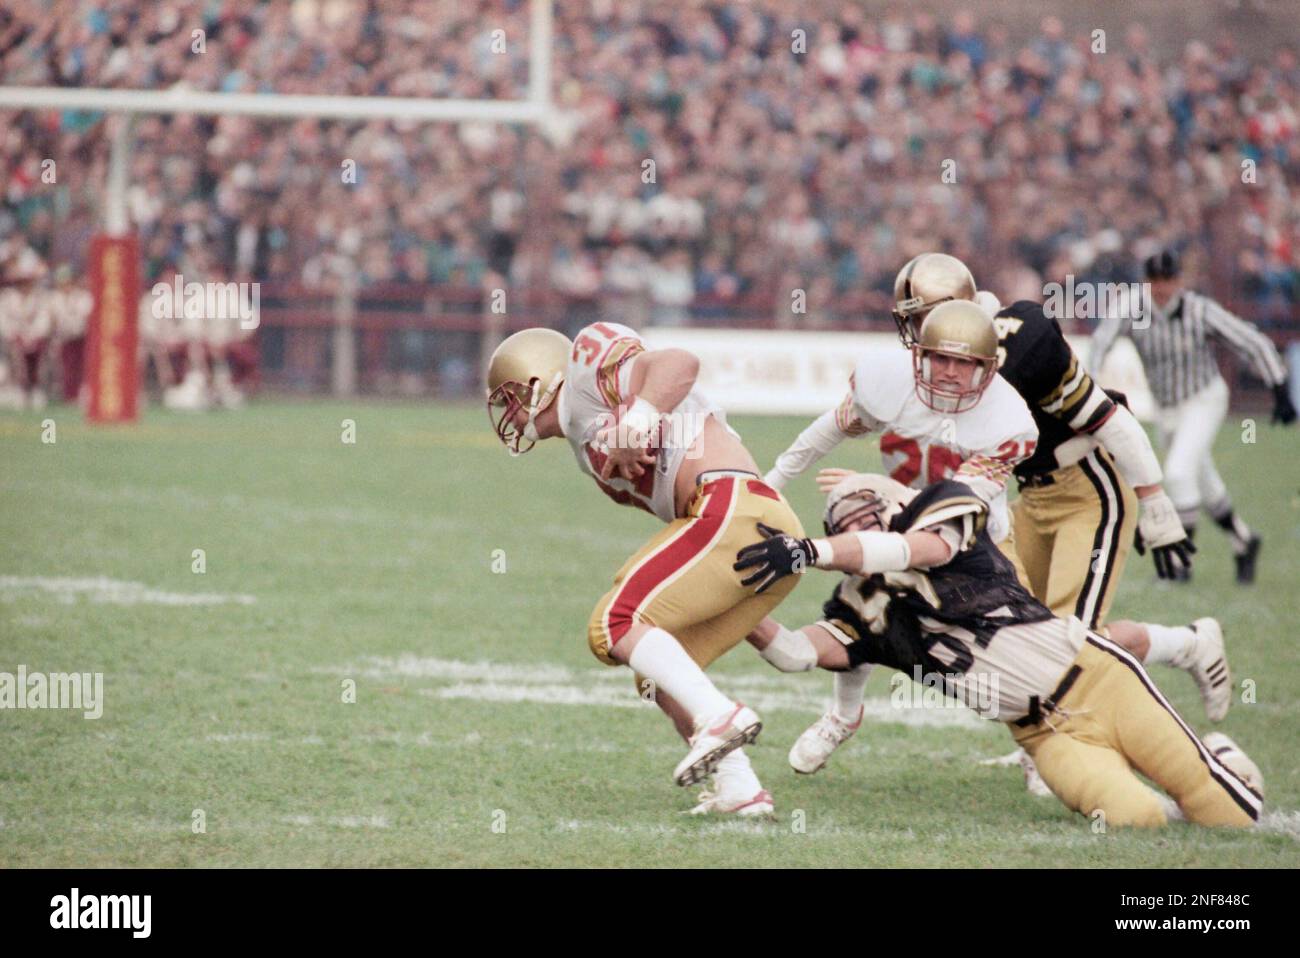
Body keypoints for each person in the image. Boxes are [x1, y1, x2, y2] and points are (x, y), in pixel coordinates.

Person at [738, 472, 1263, 828]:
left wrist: (813, 550)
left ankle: (1218, 757)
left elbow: (916, 549)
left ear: (896, 505)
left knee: (1225, 816)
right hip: (1041, 733)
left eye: (866, 519)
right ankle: (1188, 762)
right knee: (1135, 822)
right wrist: (732, 607)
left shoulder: (941, 510)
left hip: (1097, 680)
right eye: (843, 529)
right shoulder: (863, 604)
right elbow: (791, 652)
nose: (857, 535)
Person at [485, 321, 805, 816]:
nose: (506, 413)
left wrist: (636, 421)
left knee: (613, 624)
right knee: (658, 675)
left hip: (735, 505)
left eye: (507, 398)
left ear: (537, 380)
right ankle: (740, 789)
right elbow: (687, 532)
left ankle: (720, 715)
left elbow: (679, 364)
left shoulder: (587, 372)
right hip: (750, 537)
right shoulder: (584, 449)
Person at [760, 299, 1038, 769]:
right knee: (863, 607)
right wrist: (772, 480)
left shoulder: (1009, 421)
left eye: (963, 362)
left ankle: (1035, 749)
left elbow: (955, 502)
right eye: (939, 357)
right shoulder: (888, 382)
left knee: (1013, 647)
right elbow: (831, 428)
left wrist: (885, 489)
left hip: (975, 540)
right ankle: (844, 715)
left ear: (987, 367)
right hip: (896, 523)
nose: (948, 372)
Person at [1090, 249, 1297, 584]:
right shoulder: (1133, 307)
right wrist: (1091, 384)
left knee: (1177, 472)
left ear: (1179, 280)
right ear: (1147, 281)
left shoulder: (1198, 310)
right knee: (1203, 481)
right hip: (1167, 407)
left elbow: (1251, 341)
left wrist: (1279, 388)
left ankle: (1178, 563)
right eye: (1155, 280)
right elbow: (1100, 343)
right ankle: (1243, 540)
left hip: (1204, 397)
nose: (1161, 288)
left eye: (1167, 280)